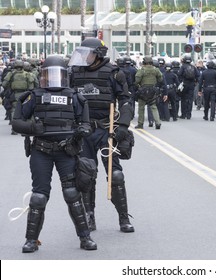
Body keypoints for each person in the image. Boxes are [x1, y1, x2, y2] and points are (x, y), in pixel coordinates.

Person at [11, 55, 97, 252]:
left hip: (66, 151)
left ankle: (85, 237)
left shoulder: (75, 97)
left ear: (65, 76)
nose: (53, 79)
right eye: (48, 75)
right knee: (39, 196)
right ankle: (31, 240)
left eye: (57, 75)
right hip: (41, 151)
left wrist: (82, 131)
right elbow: (17, 122)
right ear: (42, 76)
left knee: (72, 193)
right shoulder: (35, 96)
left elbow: (85, 124)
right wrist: (33, 128)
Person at [68, 38, 135, 233]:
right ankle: (89, 216)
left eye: (87, 53)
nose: (83, 57)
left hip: (107, 130)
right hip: (84, 131)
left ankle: (123, 217)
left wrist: (123, 125)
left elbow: (125, 101)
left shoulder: (114, 73)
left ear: (97, 54)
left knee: (116, 174)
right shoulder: (75, 73)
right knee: (85, 175)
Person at [2, 59, 35, 133]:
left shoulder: (11, 74)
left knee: (14, 110)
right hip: (26, 94)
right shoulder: (27, 74)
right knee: (28, 110)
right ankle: (28, 128)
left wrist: (10, 88)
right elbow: (31, 86)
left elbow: (4, 84)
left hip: (15, 94)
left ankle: (14, 129)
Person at [134, 56, 166, 129]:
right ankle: (158, 123)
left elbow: (137, 80)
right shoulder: (156, 70)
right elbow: (160, 79)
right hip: (153, 90)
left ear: (144, 62)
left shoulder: (142, 70)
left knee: (141, 108)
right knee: (154, 107)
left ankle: (140, 124)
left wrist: (138, 85)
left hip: (143, 90)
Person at [177, 54, 199, 119]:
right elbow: (198, 75)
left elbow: (179, 74)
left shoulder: (183, 67)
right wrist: (195, 82)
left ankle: (183, 114)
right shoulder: (193, 67)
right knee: (190, 100)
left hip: (184, 85)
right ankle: (189, 114)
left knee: (183, 99)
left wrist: (181, 82)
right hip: (191, 85)